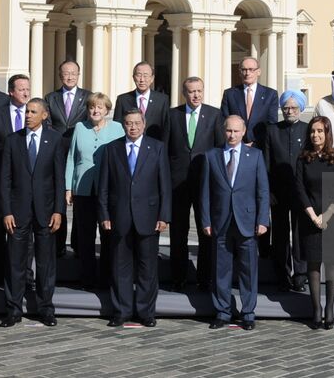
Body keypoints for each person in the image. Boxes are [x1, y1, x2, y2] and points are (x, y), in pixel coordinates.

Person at [98, 109, 171, 328]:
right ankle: (122, 310)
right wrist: (104, 215)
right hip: (119, 216)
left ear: (144, 124)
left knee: (147, 268)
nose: (133, 127)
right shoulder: (111, 149)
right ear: (123, 125)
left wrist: (164, 216)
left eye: (137, 123)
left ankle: (146, 312)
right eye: (128, 123)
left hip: (148, 217)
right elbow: (104, 186)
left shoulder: (157, 148)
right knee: (120, 267)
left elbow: (165, 186)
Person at [199, 115, 271, 330]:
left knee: (248, 270)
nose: (232, 135)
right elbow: (205, 193)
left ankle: (248, 312)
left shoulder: (255, 156)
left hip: (247, 222)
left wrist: (262, 220)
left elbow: (262, 190)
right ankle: (222, 311)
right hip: (220, 221)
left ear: (243, 131)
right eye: (229, 131)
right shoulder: (211, 156)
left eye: (236, 131)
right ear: (224, 131)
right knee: (221, 270)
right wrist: (205, 220)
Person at [0, 99, 65, 327]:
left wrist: (58, 210)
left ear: (44, 115)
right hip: (17, 213)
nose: (27, 115)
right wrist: (6, 211)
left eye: (33, 112)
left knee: (46, 263)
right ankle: (13, 310)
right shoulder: (12, 141)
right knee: (15, 263)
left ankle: (46, 308)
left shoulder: (55, 139)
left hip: (46, 212)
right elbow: (4, 180)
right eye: (26, 111)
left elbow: (59, 178)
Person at [165, 76, 224, 290]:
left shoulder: (215, 115)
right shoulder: (172, 115)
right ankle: (178, 277)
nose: (196, 95)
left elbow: (219, 150)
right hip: (177, 182)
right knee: (178, 232)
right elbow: (165, 150)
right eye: (191, 91)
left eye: (199, 90)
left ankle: (204, 278)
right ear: (184, 93)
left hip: (205, 182)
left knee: (205, 231)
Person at [67, 92, 123, 289]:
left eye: (100, 107)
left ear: (107, 110)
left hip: (108, 190)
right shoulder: (80, 128)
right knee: (85, 236)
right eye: (92, 107)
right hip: (83, 188)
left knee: (108, 234)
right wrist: (68, 187)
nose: (95, 110)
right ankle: (88, 278)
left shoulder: (118, 129)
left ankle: (107, 277)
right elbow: (72, 157)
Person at [296, 115, 334, 329]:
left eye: (320, 131)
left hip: (333, 218)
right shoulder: (303, 158)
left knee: (332, 262)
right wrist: (313, 215)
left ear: (327, 134)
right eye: (312, 131)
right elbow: (299, 188)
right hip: (310, 217)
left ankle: (330, 308)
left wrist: (327, 215)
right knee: (314, 264)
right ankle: (316, 309)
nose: (315, 135)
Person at [0, 73, 30, 285]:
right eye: (21, 89)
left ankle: (24, 278)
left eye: (28, 88)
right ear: (11, 91)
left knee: (24, 236)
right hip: (0, 182)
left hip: (25, 184)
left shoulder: (33, 113)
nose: (26, 92)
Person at [43, 58, 89, 257]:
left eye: (73, 73)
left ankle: (79, 245)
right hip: (59, 154)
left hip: (81, 155)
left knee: (80, 203)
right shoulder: (51, 98)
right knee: (59, 200)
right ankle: (58, 246)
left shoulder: (87, 97)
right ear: (60, 75)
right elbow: (49, 125)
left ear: (78, 75)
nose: (70, 76)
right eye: (66, 73)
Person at [265, 90, 309, 291]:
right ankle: (282, 274)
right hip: (278, 192)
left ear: (300, 109)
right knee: (280, 235)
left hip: (301, 193)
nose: (289, 111)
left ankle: (300, 275)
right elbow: (266, 164)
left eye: (293, 107)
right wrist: (268, 192)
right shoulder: (272, 130)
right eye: (286, 108)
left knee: (300, 234)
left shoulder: (308, 130)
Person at [219, 56, 278, 148]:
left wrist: (255, 143)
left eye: (251, 69)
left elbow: (271, 124)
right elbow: (224, 121)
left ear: (258, 72)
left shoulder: (270, 94)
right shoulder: (229, 94)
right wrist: (238, 143)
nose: (247, 73)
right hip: (235, 146)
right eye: (244, 69)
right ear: (240, 72)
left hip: (260, 147)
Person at [114, 61, 170, 142]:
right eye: (139, 75)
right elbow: (117, 127)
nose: (142, 79)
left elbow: (166, 128)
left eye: (146, 75)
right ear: (133, 77)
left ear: (152, 78)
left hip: (153, 147)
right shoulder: (123, 99)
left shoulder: (162, 100)